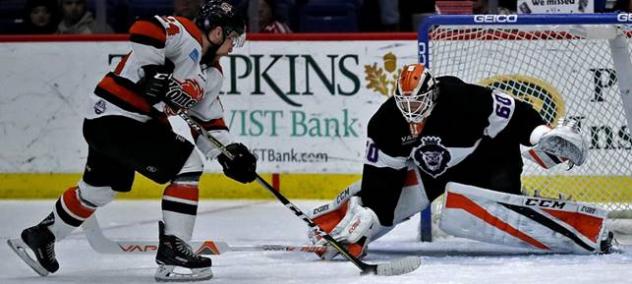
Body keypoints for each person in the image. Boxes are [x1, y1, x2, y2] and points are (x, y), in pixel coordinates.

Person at [8, 0, 254, 282]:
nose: (234, 46)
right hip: (118, 118)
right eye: (233, 37)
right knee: (187, 165)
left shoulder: (211, 75)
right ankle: (173, 250)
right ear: (218, 33)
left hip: (113, 124)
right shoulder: (184, 34)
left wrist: (229, 152)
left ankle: (41, 235)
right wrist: (152, 70)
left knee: (99, 190)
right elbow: (145, 27)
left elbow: (209, 123)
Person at [306, 63, 615, 260]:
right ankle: (332, 227)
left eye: (418, 102)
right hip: (432, 172)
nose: (412, 110)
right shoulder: (385, 123)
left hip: (488, 157)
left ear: (433, 93)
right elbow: (381, 179)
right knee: (378, 213)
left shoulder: (465, 99)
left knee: (497, 201)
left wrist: (539, 134)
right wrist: (371, 217)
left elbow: (517, 113)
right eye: (405, 103)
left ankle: (535, 209)